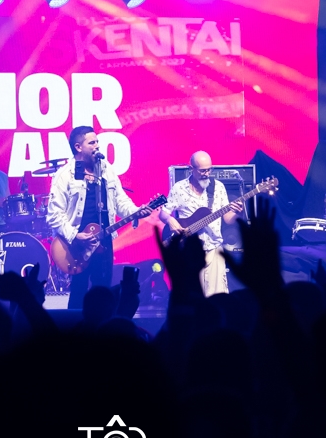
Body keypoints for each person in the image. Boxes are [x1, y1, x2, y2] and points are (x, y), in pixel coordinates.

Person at [46, 126, 150, 309]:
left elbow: (120, 200)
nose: (97, 146)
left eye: (97, 142)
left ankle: (101, 324)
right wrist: (75, 236)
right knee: (78, 291)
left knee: (103, 291)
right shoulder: (65, 175)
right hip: (78, 244)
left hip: (104, 239)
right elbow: (54, 215)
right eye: (92, 142)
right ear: (78, 147)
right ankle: (74, 325)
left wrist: (135, 211)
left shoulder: (106, 170)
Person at [160, 151, 243, 296]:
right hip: (189, 252)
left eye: (209, 169)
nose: (207, 174)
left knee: (218, 299)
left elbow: (227, 219)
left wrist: (238, 213)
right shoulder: (179, 188)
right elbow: (163, 213)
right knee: (192, 298)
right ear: (191, 169)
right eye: (203, 171)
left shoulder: (218, 188)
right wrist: (170, 220)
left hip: (214, 249)